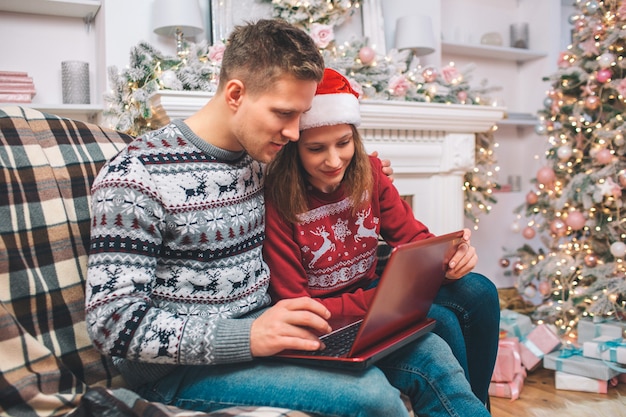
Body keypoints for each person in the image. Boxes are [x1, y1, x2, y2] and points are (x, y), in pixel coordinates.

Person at [86, 19, 490, 417]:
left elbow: (337, 182)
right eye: (283, 114)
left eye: (301, 115)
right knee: (373, 398)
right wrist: (248, 335)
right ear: (235, 94)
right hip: (181, 371)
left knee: (433, 350)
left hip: (279, 329)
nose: (295, 133)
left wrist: (368, 174)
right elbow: (111, 322)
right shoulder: (137, 176)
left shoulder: (266, 158)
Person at [263, 68, 500, 407]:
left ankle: (474, 405)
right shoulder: (279, 201)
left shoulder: (370, 172)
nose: (334, 160)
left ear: (354, 138)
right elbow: (298, 307)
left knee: (480, 290)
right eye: (316, 149)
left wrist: (451, 257)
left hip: (376, 293)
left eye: (343, 143)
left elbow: (414, 239)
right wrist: (386, 300)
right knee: (443, 319)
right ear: (294, 149)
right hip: (328, 315)